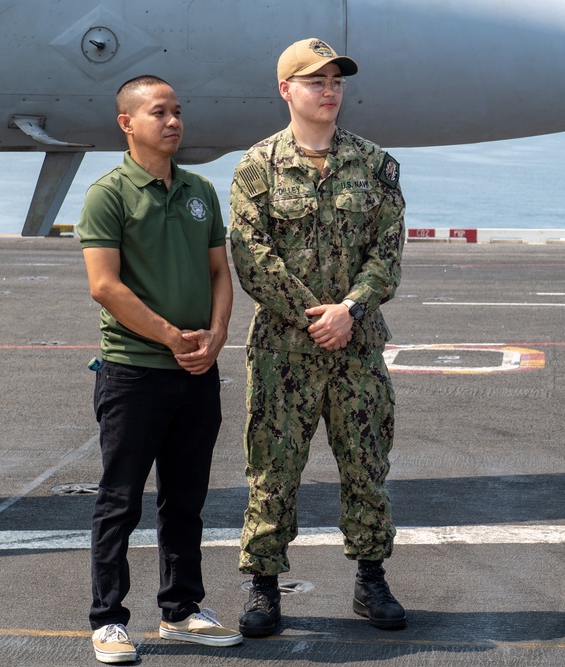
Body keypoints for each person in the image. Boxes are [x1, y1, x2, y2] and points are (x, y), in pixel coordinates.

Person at [228, 38, 406, 637]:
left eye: (335, 81)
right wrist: (317, 315)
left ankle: (371, 578)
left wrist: (350, 309)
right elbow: (252, 257)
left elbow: (387, 253)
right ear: (286, 90)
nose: (328, 91)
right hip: (284, 351)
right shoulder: (257, 167)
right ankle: (263, 585)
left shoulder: (377, 165)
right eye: (314, 82)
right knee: (273, 469)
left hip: (356, 345)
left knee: (365, 463)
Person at [77, 74, 240, 664]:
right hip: (133, 371)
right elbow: (104, 286)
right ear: (127, 123)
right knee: (120, 499)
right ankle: (108, 620)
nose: (173, 122)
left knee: (186, 499)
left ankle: (182, 610)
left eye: (177, 112)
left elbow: (221, 272)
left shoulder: (200, 190)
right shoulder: (108, 194)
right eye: (158, 112)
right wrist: (174, 337)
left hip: (198, 371)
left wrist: (217, 335)